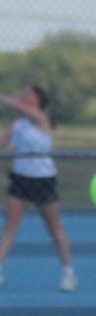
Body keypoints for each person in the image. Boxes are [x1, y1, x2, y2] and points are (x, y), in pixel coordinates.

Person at [0, 85, 76, 292]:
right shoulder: (17, 124)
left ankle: (68, 273)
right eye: (22, 91)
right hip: (21, 180)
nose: (23, 95)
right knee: (9, 228)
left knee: (54, 229)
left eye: (28, 93)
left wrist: (4, 98)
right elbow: (3, 142)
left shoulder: (42, 119)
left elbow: (19, 107)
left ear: (37, 99)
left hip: (43, 181)